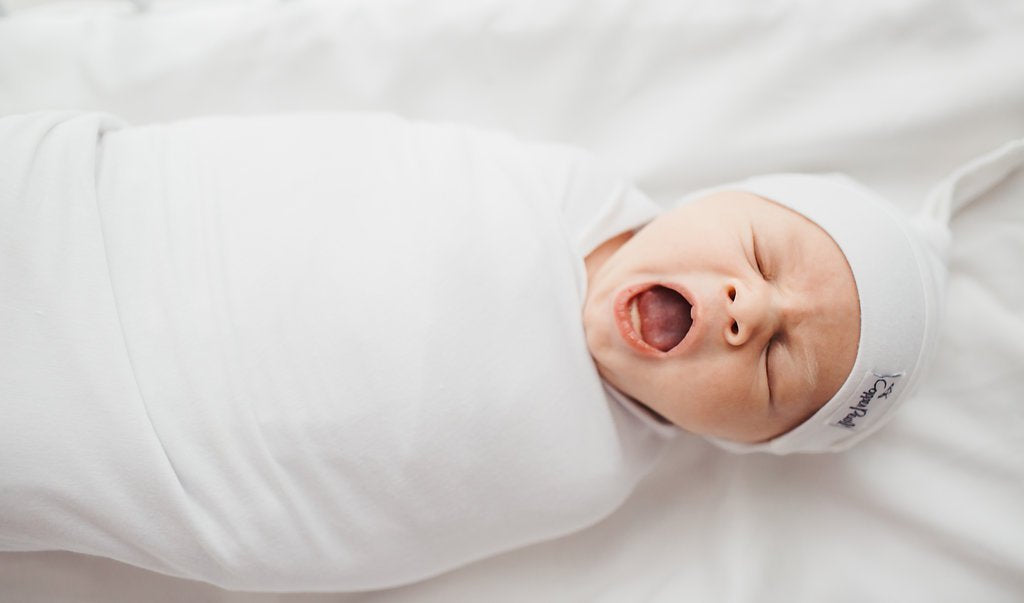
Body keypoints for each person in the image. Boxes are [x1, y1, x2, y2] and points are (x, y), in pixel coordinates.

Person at [0, 110, 1019, 592]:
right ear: (711, 202)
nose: (747, 308)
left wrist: (201, 502)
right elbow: (308, 165)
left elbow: (353, 530)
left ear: (739, 444)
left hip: (118, 442)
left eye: (772, 369)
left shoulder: (583, 476)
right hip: (90, 224)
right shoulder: (541, 188)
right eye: (757, 251)